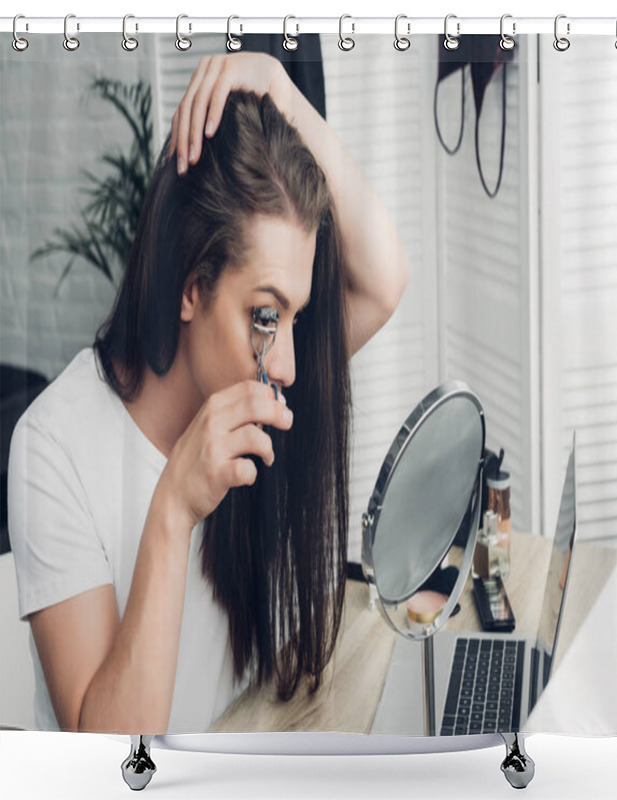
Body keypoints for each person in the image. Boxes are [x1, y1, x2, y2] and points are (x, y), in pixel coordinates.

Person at [7, 53, 410, 735]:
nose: (285, 361)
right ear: (192, 288)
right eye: (264, 313)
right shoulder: (53, 448)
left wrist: (280, 90)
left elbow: (384, 278)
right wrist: (172, 511)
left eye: (297, 316)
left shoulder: (258, 384)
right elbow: (108, 762)